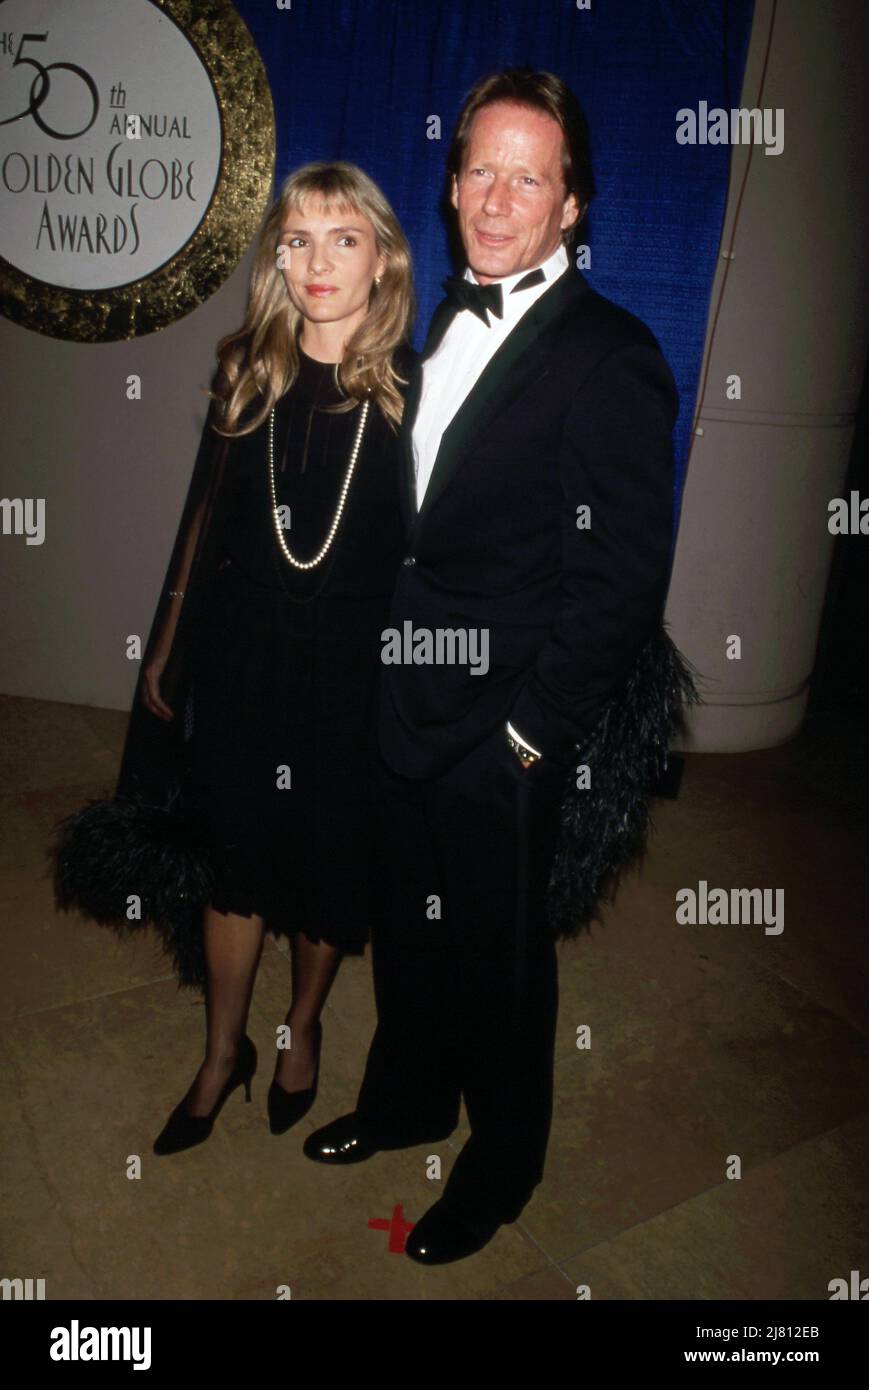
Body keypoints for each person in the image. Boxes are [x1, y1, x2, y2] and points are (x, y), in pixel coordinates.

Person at [303, 70, 680, 1264]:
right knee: (409, 930)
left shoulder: (611, 356)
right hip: (402, 697)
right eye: (479, 169)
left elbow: (618, 580)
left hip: (502, 732)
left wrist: (531, 737)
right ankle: (408, 1098)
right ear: (452, 178)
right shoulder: (429, 333)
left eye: (529, 175)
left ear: (571, 204)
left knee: (500, 961)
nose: (496, 197)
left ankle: (502, 1162)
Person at [54, 161, 416, 1155]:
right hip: (246, 660)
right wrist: (165, 648)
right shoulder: (244, 369)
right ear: (276, 259)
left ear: (381, 260)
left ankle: (299, 1029)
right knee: (233, 866)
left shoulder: (410, 393)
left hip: (352, 675)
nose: (316, 261)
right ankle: (222, 1053)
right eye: (295, 239)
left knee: (325, 871)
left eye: (342, 238)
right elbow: (202, 521)